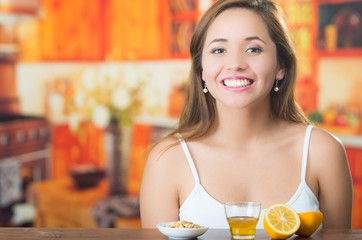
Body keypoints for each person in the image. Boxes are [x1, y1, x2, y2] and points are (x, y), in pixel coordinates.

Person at [140, 0, 353, 229]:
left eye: (253, 49)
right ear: (201, 70)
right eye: (219, 50)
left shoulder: (323, 152)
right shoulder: (167, 160)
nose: (235, 64)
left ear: (281, 65)